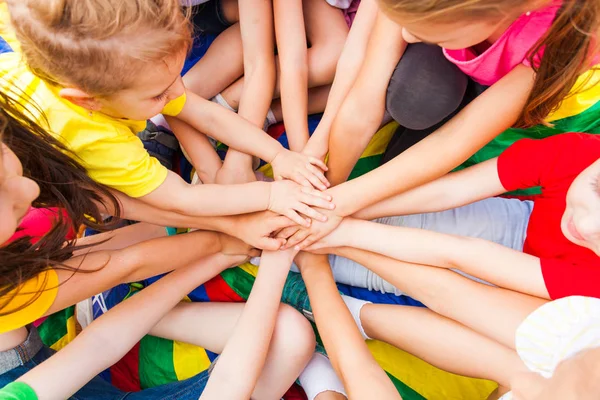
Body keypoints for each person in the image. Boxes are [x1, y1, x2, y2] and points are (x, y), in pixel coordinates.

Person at [0, 90, 316, 399]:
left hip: (28, 343)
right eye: (14, 209)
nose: (28, 188)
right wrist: (271, 254)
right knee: (288, 337)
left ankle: (109, 302)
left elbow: (99, 345)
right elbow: (230, 385)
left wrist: (221, 245)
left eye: (5, 168)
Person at [287, 0, 599, 248]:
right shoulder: (436, 13)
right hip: (470, 46)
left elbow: (458, 140)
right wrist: (329, 194)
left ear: (485, 20)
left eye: (423, 31)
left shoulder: (563, 35)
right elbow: (363, 98)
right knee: (418, 98)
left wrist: (341, 206)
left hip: (509, 74)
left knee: (405, 178)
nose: (406, 35)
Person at [1, 0, 333, 231]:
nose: (178, 91)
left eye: (177, 75)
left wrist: (277, 154)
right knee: (110, 207)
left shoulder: (44, 26)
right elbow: (180, 199)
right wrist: (273, 194)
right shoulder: (102, 144)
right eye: (158, 93)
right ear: (89, 101)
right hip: (43, 170)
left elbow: (204, 113)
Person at [180, 0, 349, 184]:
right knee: (265, 25)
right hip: (194, 13)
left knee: (352, 71)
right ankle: (189, 115)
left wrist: (301, 157)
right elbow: (278, 60)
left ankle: (226, 107)